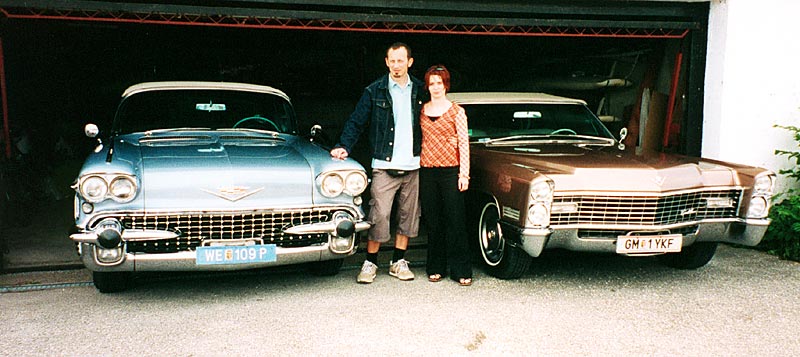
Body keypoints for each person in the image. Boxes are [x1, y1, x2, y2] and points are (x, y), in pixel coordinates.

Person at [330, 42, 427, 284]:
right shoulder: (374, 91)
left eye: (401, 60)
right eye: (392, 61)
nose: (396, 65)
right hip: (384, 165)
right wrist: (344, 146)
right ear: (386, 62)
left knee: (409, 215)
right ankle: (370, 262)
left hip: (413, 165)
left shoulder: (420, 90)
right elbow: (356, 121)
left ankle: (398, 261)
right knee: (379, 214)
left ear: (410, 62)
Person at [419, 65, 472, 286]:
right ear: (428, 86)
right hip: (428, 171)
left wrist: (464, 174)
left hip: (451, 171)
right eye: (432, 83)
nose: (436, 87)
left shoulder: (457, 111)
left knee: (455, 220)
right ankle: (436, 267)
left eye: (439, 83)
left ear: (446, 85)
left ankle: (460, 269)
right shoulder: (421, 110)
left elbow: (464, 143)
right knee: (433, 221)